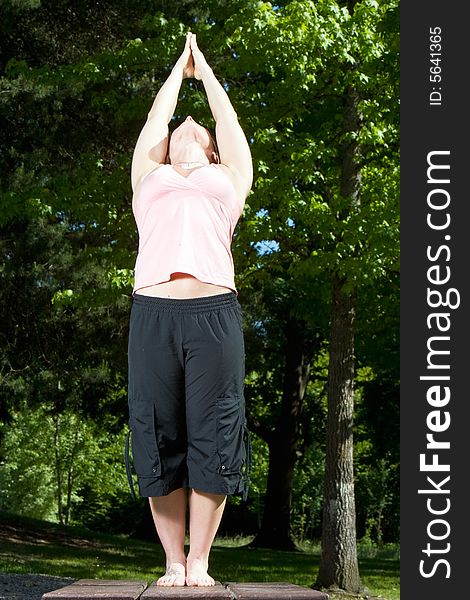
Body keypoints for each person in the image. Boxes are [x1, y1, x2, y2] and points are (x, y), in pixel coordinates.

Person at [127, 32, 253, 587]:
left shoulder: (226, 180)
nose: (187, 127)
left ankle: (200, 559)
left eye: (199, 131)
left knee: (215, 432)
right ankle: (172, 561)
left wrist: (209, 75)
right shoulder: (147, 178)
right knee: (156, 433)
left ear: (211, 153)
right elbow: (157, 121)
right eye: (182, 126)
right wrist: (179, 71)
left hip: (214, 315)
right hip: (152, 313)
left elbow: (230, 127)